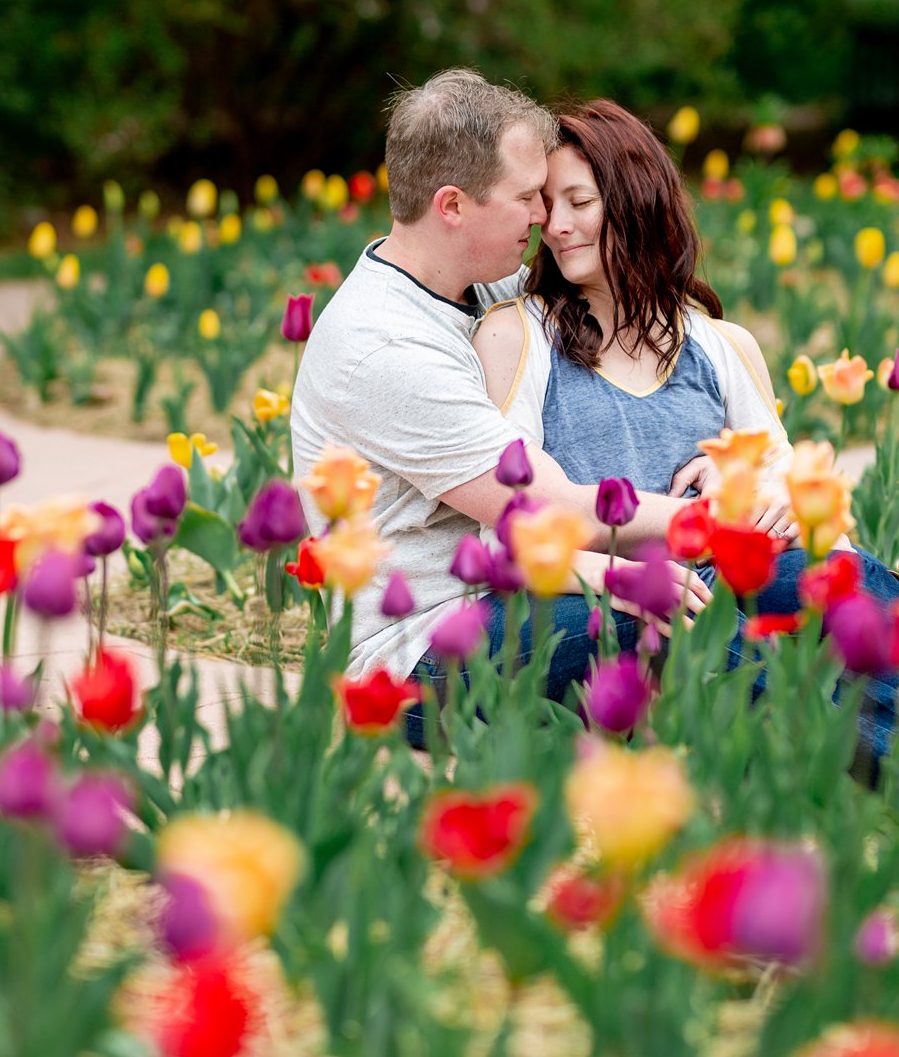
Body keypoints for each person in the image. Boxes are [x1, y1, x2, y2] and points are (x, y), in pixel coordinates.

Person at [467, 98, 899, 753]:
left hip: (725, 592)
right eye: (547, 206)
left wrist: (756, 491)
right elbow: (504, 524)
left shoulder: (719, 346)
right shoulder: (518, 336)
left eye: (578, 202)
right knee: (751, 626)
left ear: (634, 199)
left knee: (825, 578)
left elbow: (803, 505)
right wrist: (708, 522)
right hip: (611, 609)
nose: (556, 226)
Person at [289, 69, 695, 706]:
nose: (544, 217)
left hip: (524, 588)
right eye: (528, 196)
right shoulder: (384, 348)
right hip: (423, 652)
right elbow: (553, 511)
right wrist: (726, 520)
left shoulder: (480, 285)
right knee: (698, 612)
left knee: (763, 593)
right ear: (451, 206)